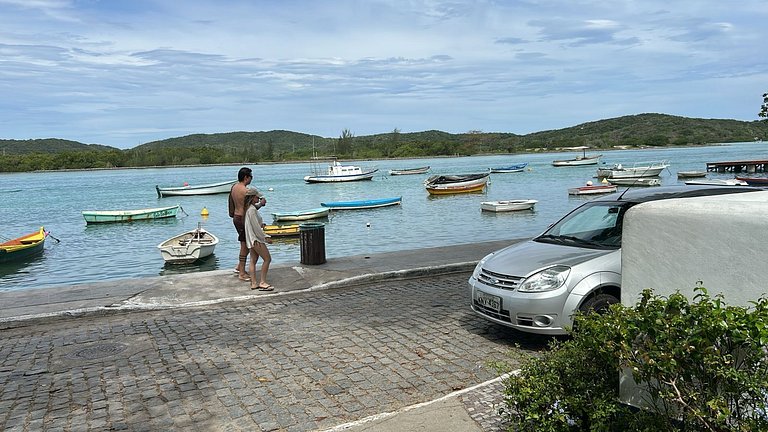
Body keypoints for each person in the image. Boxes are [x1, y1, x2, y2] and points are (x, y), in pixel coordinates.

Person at [243, 188, 273, 291]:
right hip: (255, 239)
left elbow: (254, 224)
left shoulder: (249, 209)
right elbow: (256, 227)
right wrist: (265, 237)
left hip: (250, 239)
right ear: (252, 198)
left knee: (253, 260)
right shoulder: (251, 210)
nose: (259, 198)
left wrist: (261, 224)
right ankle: (262, 282)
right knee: (267, 259)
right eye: (257, 197)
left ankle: (254, 283)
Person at [230, 167, 253, 281]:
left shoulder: (234, 187)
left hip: (236, 217)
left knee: (245, 244)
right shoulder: (245, 191)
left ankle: (239, 267)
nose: (251, 179)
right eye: (250, 177)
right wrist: (261, 204)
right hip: (242, 219)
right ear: (246, 177)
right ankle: (242, 273)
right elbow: (251, 208)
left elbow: (231, 202)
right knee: (245, 245)